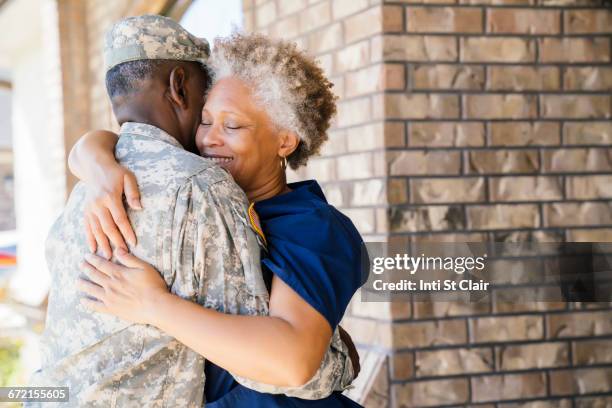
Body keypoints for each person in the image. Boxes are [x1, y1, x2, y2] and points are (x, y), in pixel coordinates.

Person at [28, 16, 354, 407]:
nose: (209, 139)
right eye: (204, 120)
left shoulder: (311, 226)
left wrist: (154, 305)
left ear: (285, 140)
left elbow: (292, 362)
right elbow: (115, 140)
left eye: (232, 126)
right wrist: (98, 165)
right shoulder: (196, 194)